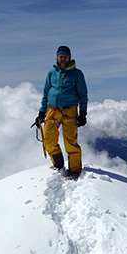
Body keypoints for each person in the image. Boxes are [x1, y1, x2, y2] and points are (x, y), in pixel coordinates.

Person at [34, 45, 88, 179]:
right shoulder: (51, 74)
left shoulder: (77, 74)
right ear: (57, 58)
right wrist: (41, 112)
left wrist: (83, 113)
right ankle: (58, 164)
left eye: (65, 56)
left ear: (69, 58)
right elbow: (46, 94)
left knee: (70, 141)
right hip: (52, 109)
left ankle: (75, 169)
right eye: (60, 56)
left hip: (70, 109)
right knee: (48, 139)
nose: (63, 58)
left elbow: (83, 94)